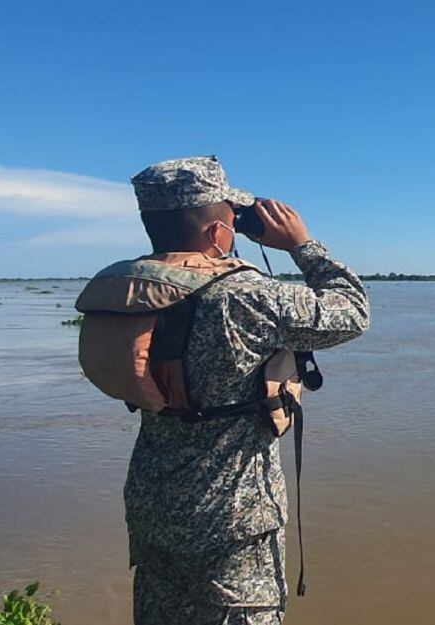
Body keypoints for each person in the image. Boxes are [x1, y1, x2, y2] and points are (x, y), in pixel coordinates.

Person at [74, 155, 371, 624]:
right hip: (234, 516)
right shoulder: (244, 294)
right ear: (217, 234)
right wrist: (302, 245)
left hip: (154, 501)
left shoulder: (127, 288)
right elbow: (352, 310)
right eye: (233, 219)